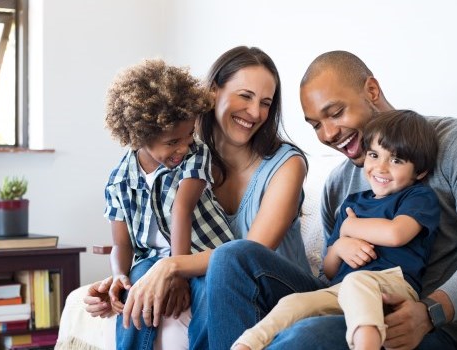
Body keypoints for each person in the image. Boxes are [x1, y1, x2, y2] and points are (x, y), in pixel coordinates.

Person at [206, 50, 457, 350]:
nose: (327, 134)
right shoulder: (338, 184)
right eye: (315, 124)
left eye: (336, 113)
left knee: (304, 337)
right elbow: (330, 273)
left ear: (371, 90)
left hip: (416, 324)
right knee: (232, 257)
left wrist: (430, 312)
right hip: (342, 300)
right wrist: (339, 247)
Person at [84, 46, 311, 350]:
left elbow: (247, 256)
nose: (255, 112)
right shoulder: (179, 155)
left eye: (266, 103)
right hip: (218, 284)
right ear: (213, 91)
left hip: (275, 289)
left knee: (224, 267)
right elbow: (148, 235)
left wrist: (171, 266)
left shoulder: (285, 164)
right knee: (141, 287)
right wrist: (120, 279)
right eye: (245, 96)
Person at [232, 110, 440, 350]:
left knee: (357, 282)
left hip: (392, 285)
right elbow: (329, 270)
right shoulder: (352, 203)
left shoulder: (417, 196)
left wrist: (351, 227)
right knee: (294, 303)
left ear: (420, 172)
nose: (381, 168)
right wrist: (340, 246)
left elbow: (396, 234)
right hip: (341, 289)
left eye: (396, 160)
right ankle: (245, 345)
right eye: (374, 155)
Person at [102, 59, 235, 349]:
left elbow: (181, 209)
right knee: (136, 288)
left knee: (208, 292)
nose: (184, 147)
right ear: (141, 136)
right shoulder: (118, 180)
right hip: (151, 260)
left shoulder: (196, 155)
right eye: (173, 141)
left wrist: (177, 272)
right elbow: (121, 245)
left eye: (189, 135)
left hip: (202, 253)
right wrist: (119, 276)